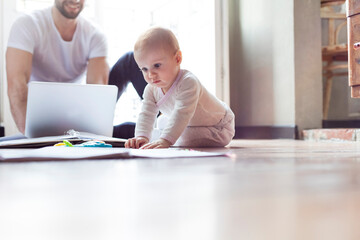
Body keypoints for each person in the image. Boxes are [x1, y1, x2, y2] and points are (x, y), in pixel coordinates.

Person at [6, 0, 109, 134]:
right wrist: (29, 134)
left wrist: (94, 137)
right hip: (38, 115)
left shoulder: (95, 35)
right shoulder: (27, 24)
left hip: (74, 114)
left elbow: (98, 91)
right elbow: (16, 85)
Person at [125, 27, 235, 149]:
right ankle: (156, 138)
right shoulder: (151, 89)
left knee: (182, 137)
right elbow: (146, 113)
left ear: (178, 59)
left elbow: (182, 114)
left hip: (219, 126)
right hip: (192, 124)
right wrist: (142, 136)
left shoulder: (188, 82)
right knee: (161, 122)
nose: (151, 75)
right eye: (144, 69)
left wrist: (165, 141)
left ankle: (160, 138)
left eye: (157, 65)